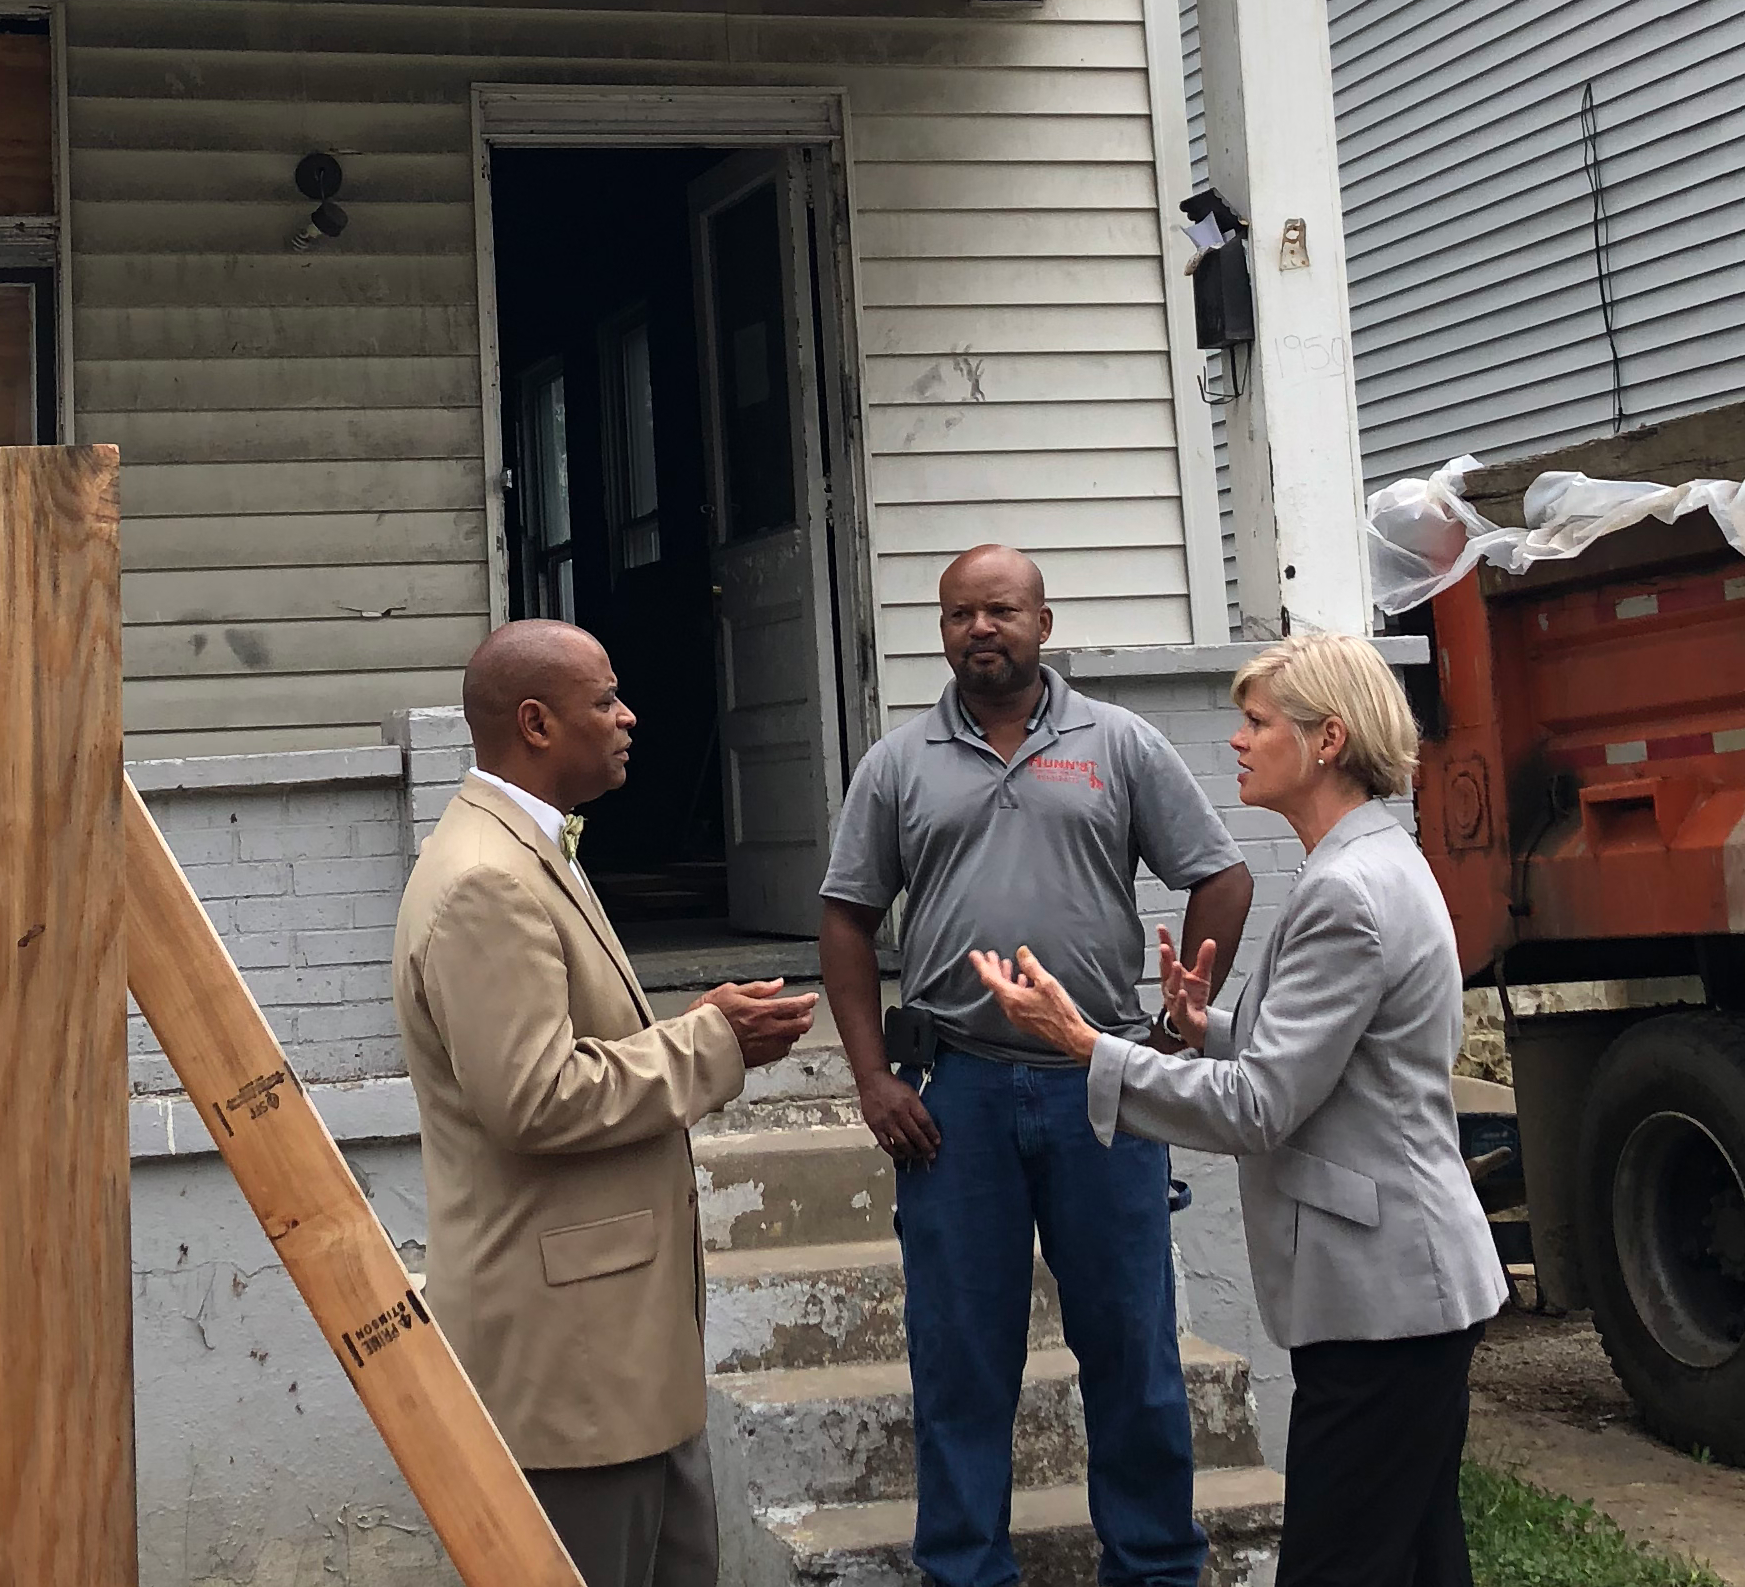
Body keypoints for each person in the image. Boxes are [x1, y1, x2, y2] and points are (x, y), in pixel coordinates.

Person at [971, 631, 1508, 1587]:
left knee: (1335, 1565)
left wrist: (1090, 1046)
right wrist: (1205, 1024)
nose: (1237, 741)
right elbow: (1331, 1055)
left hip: (1383, 1298)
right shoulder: (1374, 857)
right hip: (1398, 1290)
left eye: (1258, 722)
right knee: (1419, 1558)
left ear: (1327, 739)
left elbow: (1260, 1106)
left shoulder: (1345, 889)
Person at [819, 545, 1254, 1587]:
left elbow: (1222, 877)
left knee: (1132, 1352)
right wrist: (874, 1080)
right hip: (953, 1096)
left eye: (1001, 610)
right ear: (941, 631)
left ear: (1042, 622)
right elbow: (844, 918)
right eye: (960, 614)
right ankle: (965, 1569)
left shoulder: (1119, 743)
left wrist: (1165, 1029)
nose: (981, 629)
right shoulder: (896, 764)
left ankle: (1152, 1566)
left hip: (1099, 1090)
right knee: (961, 1359)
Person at [392, 619, 818, 1587]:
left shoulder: (530, 849)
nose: (628, 718)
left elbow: (563, 1047)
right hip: (568, 1366)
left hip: (620, 1356)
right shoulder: (485, 883)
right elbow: (533, 1100)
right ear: (536, 724)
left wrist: (694, 1020)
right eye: (605, 700)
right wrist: (713, 1042)